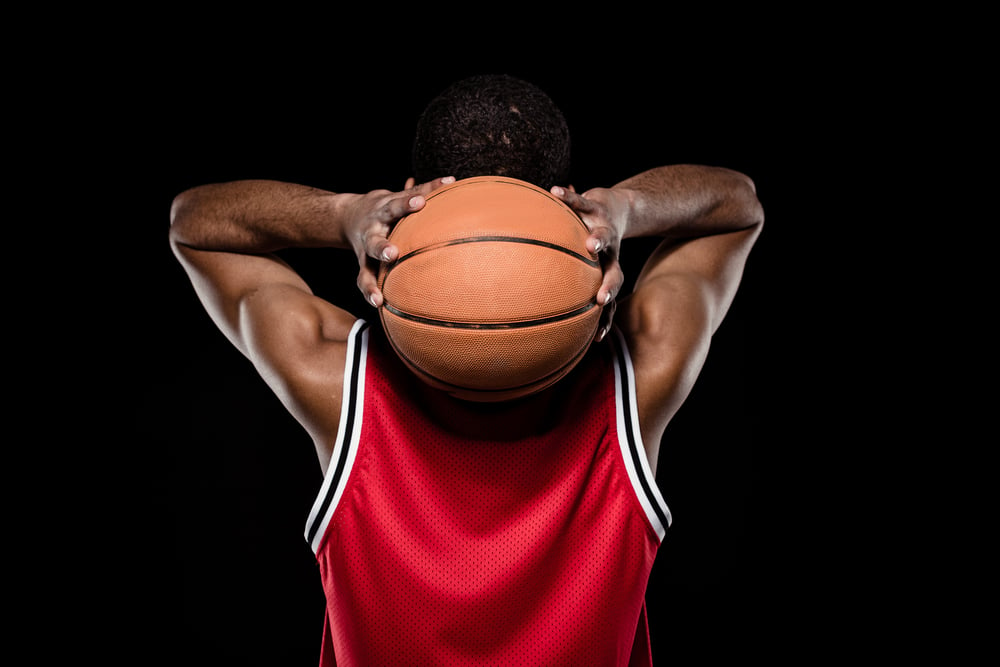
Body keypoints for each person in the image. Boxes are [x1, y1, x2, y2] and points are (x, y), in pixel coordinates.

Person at [169, 75, 763, 666]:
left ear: (407, 198)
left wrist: (346, 214)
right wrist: (623, 210)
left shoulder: (334, 376)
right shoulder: (639, 374)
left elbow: (193, 223)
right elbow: (736, 205)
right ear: (571, 207)